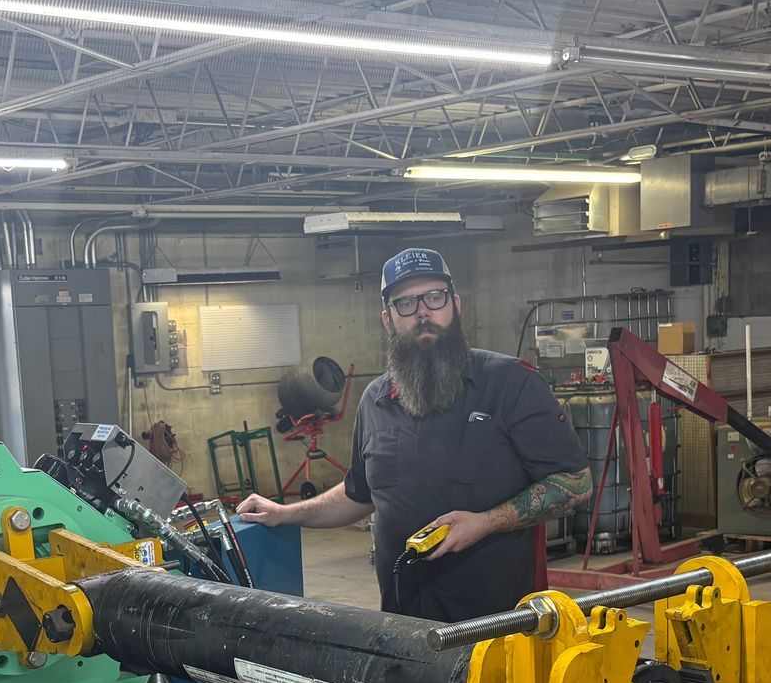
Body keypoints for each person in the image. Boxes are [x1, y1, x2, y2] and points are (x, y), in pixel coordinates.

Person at [236, 247, 591, 622]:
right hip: (404, 623)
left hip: (502, 628)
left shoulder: (512, 384)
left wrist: (486, 521)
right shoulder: (374, 401)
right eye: (405, 303)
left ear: (455, 304)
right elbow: (361, 493)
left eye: (434, 298)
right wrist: (285, 513)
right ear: (388, 320)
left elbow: (575, 481)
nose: (423, 312)